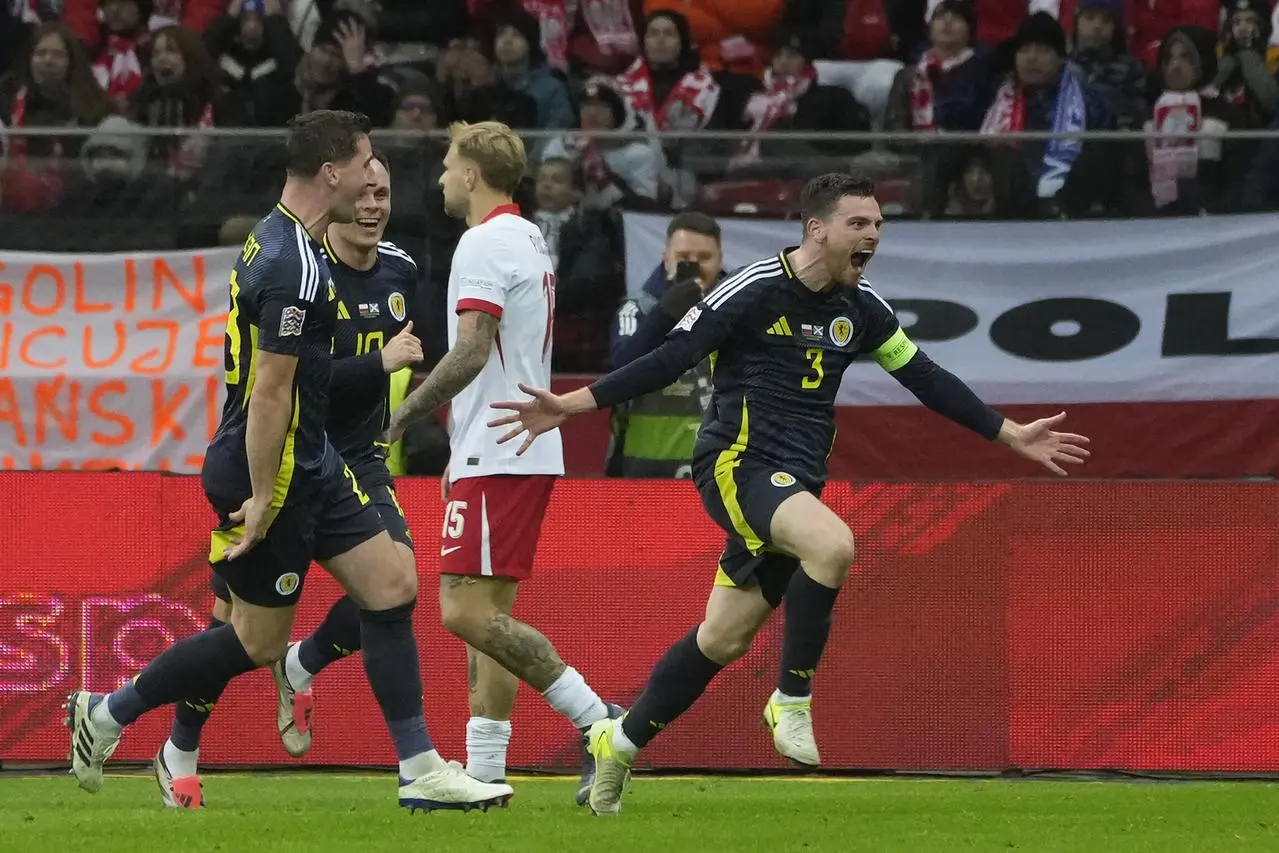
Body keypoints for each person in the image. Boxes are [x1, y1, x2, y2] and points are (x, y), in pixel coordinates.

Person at [488, 172, 1092, 815]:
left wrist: (1008, 434)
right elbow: (671, 357)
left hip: (794, 483)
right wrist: (572, 405)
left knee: (721, 639)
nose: (873, 237)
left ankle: (619, 741)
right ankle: (791, 699)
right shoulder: (752, 288)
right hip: (736, 464)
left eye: (879, 226)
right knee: (833, 545)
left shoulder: (863, 308)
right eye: (859, 225)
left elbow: (925, 376)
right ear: (817, 229)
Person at [64, 110, 513, 813]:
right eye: (364, 164)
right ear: (331, 173)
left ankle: (419, 766)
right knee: (251, 639)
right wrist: (268, 493)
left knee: (392, 586)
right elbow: (271, 392)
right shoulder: (295, 263)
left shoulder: (276, 239)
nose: (372, 180)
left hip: (315, 458)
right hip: (270, 468)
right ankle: (109, 711)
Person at [149, 151, 430, 807]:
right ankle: (179, 745)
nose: (373, 204)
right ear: (337, 191)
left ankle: (304, 663)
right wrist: (379, 362)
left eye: (383, 193)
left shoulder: (402, 271)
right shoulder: (305, 268)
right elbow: (297, 380)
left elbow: (408, 355)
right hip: (284, 454)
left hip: (356, 457)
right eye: (364, 191)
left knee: (394, 586)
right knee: (231, 624)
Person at [383, 120, 621, 806]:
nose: (439, 179)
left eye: (447, 166)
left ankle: (599, 723)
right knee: (488, 616)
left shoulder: (484, 241)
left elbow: (469, 349)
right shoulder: (527, 236)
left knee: (462, 612)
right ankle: (484, 772)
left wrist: (405, 412)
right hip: (513, 445)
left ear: (469, 175)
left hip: (497, 445)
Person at [608, 211, 725, 478]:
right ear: (666, 257)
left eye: (705, 258)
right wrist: (663, 316)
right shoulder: (637, 309)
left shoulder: (740, 308)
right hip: (647, 465)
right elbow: (620, 370)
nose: (695, 265)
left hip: (719, 465)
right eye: (684, 257)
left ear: (720, 259)